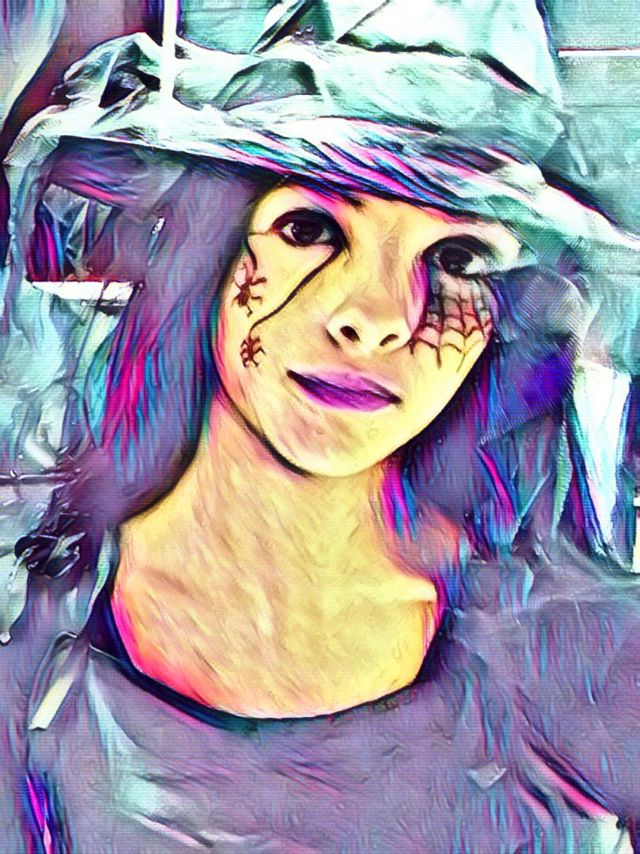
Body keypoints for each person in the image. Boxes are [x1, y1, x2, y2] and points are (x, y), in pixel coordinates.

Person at [1, 1, 640, 850]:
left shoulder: (577, 651)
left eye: (458, 258)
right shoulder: (33, 623)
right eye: (309, 227)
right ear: (209, 247)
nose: (377, 318)